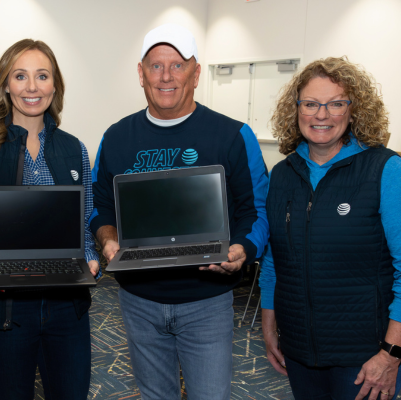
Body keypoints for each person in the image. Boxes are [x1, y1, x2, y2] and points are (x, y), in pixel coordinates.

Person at [90, 24, 269, 399]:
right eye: (156, 66)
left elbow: (257, 210)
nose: (166, 76)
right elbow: (99, 206)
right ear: (141, 74)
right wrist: (107, 241)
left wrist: (241, 250)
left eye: (177, 65)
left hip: (207, 301)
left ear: (196, 72)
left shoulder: (233, 135)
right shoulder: (116, 137)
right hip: (138, 301)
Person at [260, 57, 401, 400]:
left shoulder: (388, 171)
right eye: (310, 104)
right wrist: (269, 326)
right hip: (300, 350)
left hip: (368, 357)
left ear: (354, 111)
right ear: (296, 110)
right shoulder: (282, 175)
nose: (321, 115)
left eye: (336, 103)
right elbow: (274, 259)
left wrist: (390, 354)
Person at [0, 39, 100, 400]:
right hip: (5, 306)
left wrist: (91, 257)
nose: (32, 87)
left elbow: (83, 227)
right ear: (5, 84)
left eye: (42, 76)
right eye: (20, 76)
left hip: (66, 304)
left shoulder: (75, 148)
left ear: (54, 85)